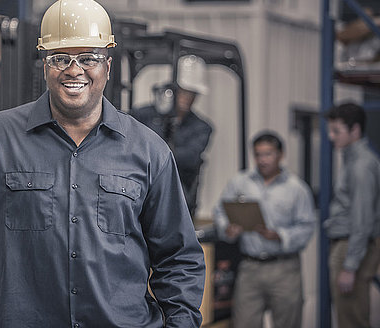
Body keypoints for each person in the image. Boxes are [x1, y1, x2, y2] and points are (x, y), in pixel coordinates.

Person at [0, 0, 205, 327]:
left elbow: (179, 258)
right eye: (59, 58)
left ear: (107, 67)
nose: (74, 70)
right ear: (45, 66)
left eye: (88, 58)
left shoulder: (149, 151)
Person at [213, 131, 315, 328]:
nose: (262, 160)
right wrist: (227, 229)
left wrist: (280, 236)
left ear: (280, 154)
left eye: (268, 154)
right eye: (258, 154)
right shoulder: (240, 182)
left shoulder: (297, 189)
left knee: (288, 322)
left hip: (284, 268)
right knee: (244, 322)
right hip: (249, 267)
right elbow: (219, 211)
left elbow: (307, 226)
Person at [131, 55, 213, 218]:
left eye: (192, 94)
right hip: (137, 182)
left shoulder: (201, 128)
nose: (187, 98)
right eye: (184, 92)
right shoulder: (142, 115)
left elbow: (189, 158)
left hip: (176, 188)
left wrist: (152, 154)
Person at [324, 102, 380, 328]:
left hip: (352, 247)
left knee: (352, 318)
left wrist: (350, 266)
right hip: (349, 245)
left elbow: (362, 219)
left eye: (337, 131)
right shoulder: (353, 160)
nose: (331, 136)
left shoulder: (361, 166)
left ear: (355, 130)